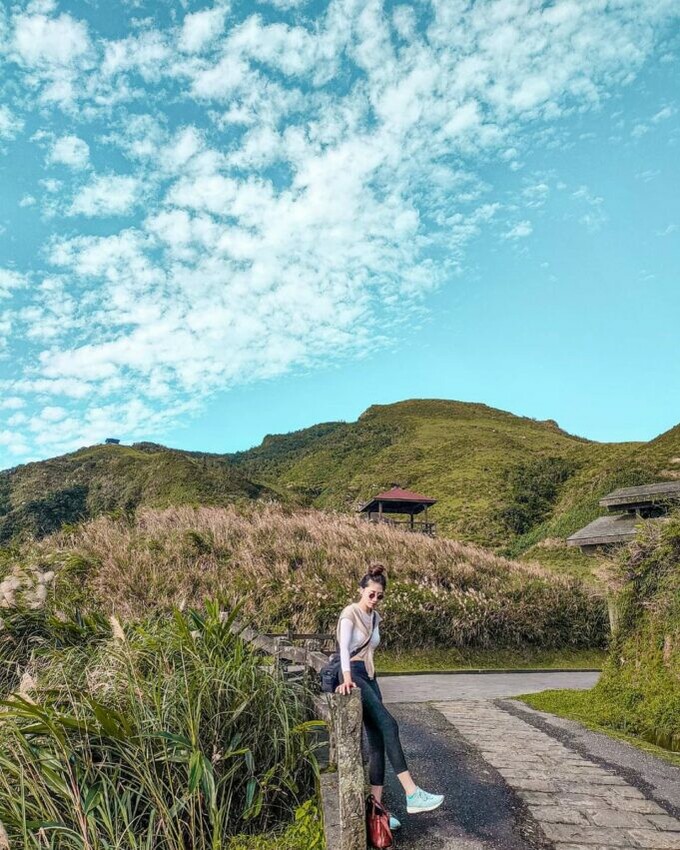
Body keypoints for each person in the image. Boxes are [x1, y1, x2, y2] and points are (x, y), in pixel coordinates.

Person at [335, 564, 444, 828]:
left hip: (370, 676)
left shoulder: (376, 618)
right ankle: (412, 793)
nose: (374, 599)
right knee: (389, 725)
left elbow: (371, 648)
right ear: (361, 590)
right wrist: (348, 679)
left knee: (377, 742)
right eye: (371, 594)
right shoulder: (350, 613)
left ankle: (376, 810)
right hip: (354, 674)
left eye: (379, 595)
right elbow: (342, 648)